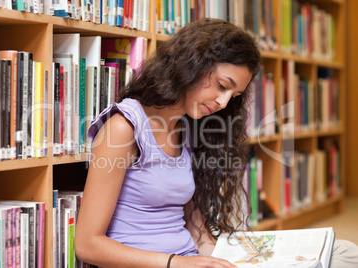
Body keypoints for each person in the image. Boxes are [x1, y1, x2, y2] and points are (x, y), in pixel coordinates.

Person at [74, 18, 358, 268]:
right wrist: (176, 263)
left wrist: (227, 260)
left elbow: (197, 231)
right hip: (160, 264)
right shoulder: (123, 128)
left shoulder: (187, 128)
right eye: (222, 85)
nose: (223, 103)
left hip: (187, 258)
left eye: (233, 96)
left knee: (344, 253)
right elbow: (87, 245)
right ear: (191, 65)